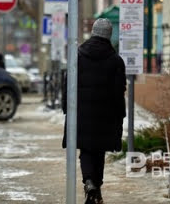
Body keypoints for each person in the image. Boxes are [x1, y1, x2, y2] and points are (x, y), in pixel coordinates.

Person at [61, 18, 126, 204]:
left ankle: (90, 183)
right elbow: (118, 91)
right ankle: (96, 187)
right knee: (99, 151)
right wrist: (119, 115)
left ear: (93, 32)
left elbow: (68, 85)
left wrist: (67, 108)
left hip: (81, 112)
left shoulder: (77, 56)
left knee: (87, 150)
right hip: (105, 115)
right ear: (109, 35)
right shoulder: (116, 61)